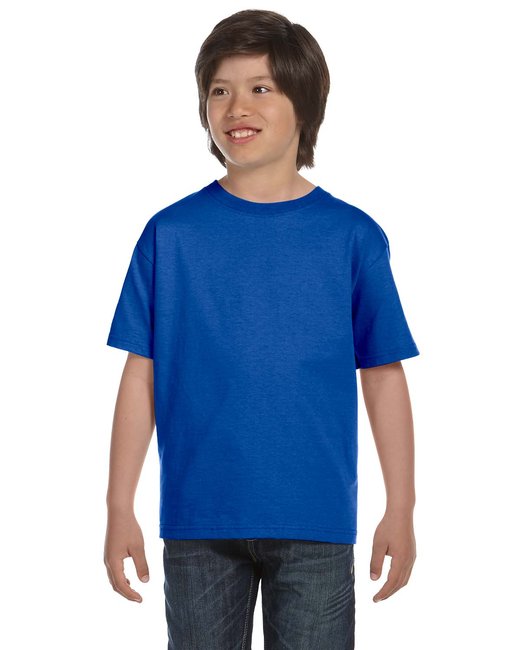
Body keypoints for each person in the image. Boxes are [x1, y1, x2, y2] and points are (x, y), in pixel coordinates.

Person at [103, 9, 420, 649]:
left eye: (260, 87)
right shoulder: (171, 234)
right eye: (219, 90)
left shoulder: (353, 237)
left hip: (315, 521)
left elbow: (384, 375)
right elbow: (142, 374)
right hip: (198, 520)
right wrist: (118, 507)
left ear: (305, 102)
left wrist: (401, 508)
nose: (236, 107)